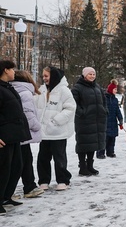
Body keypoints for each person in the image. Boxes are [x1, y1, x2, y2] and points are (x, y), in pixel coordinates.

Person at [35, 66, 76, 192]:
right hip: (44, 132)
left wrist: (56, 120)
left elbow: (70, 108)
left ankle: (63, 180)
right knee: (43, 157)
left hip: (58, 131)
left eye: (47, 76)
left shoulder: (64, 90)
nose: (44, 78)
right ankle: (43, 180)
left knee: (59, 158)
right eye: (43, 76)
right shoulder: (42, 90)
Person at [0, 60, 31, 215]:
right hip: (4, 137)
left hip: (14, 135)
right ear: (6, 70)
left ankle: (6, 196)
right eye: (12, 69)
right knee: (3, 169)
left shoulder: (8, 87)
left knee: (16, 166)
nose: (14, 72)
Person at [12, 70, 44, 198]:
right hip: (22, 133)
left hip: (15, 132)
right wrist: (37, 126)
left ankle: (27, 186)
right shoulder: (25, 93)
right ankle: (28, 187)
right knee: (23, 161)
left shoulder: (13, 89)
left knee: (19, 161)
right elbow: (27, 113)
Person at [71, 67, 107, 176]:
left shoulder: (97, 87)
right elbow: (73, 103)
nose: (92, 76)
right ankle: (82, 166)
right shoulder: (77, 88)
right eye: (90, 74)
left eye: (93, 74)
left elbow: (104, 101)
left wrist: (105, 111)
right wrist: (82, 113)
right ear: (84, 75)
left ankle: (90, 166)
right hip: (84, 120)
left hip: (97, 120)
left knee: (93, 143)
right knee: (83, 143)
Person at [97, 80, 123, 159]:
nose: (116, 91)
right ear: (111, 90)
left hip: (113, 122)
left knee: (112, 138)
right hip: (105, 121)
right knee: (104, 138)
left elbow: (117, 111)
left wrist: (120, 119)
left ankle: (110, 152)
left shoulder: (115, 100)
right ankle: (100, 153)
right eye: (115, 89)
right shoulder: (105, 98)